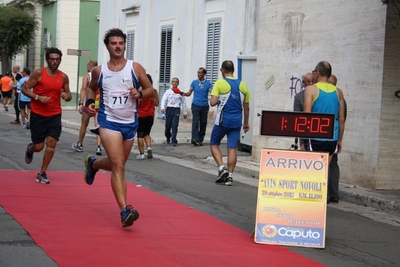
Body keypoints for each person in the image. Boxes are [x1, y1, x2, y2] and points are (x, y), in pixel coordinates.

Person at [83, 28, 154, 227]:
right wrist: (89, 102)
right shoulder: (100, 71)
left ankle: (93, 164)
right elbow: (91, 87)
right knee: (119, 166)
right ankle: (125, 210)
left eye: (121, 43)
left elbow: (150, 90)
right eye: (114, 43)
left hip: (130, 123)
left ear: (125, 45)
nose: (118, 46)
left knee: (118, 163)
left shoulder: (135, 67)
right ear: (107, 46)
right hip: (108, 121)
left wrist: (139, 94)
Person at [22, 47, 72, 184]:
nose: (55, 62)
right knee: (39, 146)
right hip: (38, 114)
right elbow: (24, 89)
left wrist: (66, 96)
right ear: (47, 60)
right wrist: (37, 97)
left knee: (51, 144)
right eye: (52, 59)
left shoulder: (63, 77)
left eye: (57, 59)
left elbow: (69, 96)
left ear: (60, 60)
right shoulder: (39, 73)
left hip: (55, 114)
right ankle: (30, 149)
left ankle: (42, 172)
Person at [304, 62, 345, 200]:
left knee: (312, 169)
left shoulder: (311, 90)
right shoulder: (338, 92)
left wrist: (304, 139)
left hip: (314, 137)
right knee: (325, 169)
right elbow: (342, 119)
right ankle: (322, 197)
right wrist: (339, 140)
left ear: (318, 73)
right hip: (332, 138)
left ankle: (313, 197)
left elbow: (306, 116)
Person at [210, 60, 251, 186]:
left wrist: (217, 101)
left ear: (223, 70)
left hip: (222, 120)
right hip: (237, 121)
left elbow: (212, 102)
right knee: (232, 147)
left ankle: (222, 169)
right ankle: (230, 177)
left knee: (214, 143)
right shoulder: (243, 85)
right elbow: (246, 107)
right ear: (233, 70)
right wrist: (246, 123)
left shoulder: (220, 83)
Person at [327, 74, 347, 203]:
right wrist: (339, 139)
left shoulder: (334, 96)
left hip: (327, 136)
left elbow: (341, 120)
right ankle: (334, 194)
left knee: (325, 164)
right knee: (333, 165)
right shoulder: (340, 97)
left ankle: (327, 194)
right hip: (334, 136)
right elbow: (342, 120)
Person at [72, 59, 98, 153]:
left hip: (88, 103)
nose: (86, 67)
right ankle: (98, 146)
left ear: (90, 66)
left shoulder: (87, 76)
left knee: (84, 124)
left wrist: (81, 104)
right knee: (98, 125)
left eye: (87, 65)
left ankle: (80, 144)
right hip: (98, 103)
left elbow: (83, 89)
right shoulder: (100, 74)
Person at [182, 67, 213, 146]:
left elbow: (212, 93)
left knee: (203, 122)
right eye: (198, 72)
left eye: (200, 73)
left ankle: (200, 138)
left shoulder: (208, 83)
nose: (198, 74)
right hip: (195, 104)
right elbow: (189, 93)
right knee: (195, 121)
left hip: (204, 105)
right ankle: (195, 138)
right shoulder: (194, 82)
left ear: (204, 74)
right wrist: (183, 93)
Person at [136, 74, 159, 160]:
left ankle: (142, 154)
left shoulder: (141, 92)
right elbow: (156, 104)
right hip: (150, 115)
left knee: (140, 135)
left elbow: (137, 104)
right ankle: (149, 148)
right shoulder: (154, 91)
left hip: (141, 115)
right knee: (147, 133)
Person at [160, 77, 188, 146]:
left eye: (176, 82)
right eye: (173, 81)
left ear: (178, 83)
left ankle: (174, 140)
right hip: (169, 109)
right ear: (171, 83)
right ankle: (168, 137)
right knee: (168, 126)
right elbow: (164, 99)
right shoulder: (168, 91)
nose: (175, 83)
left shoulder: (180, 92)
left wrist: (185, 112)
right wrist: (162, 107)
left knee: (174, 125)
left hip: (176, 109)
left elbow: (184, 102)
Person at [293, 72, 314, 150]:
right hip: (305, 134)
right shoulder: (298, 97)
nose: (311, 83)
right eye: (308, 81)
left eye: (313, 81)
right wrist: (302, 142)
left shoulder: (320, 95)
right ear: (303, 83)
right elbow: (297, 118)